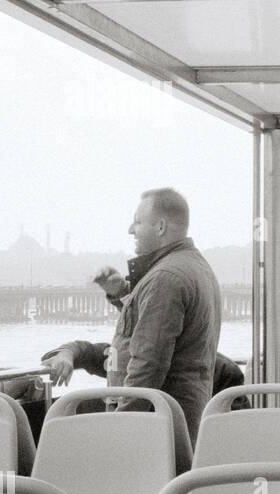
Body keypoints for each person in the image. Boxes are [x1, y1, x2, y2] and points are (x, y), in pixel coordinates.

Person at [90, 188, 222, 442]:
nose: (131, 229)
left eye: (138, 222)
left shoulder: (165, 278)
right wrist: (122, 294)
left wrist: (122, 427)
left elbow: (148, 364)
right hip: (183, 419)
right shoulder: (194, 266)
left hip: (156, 429)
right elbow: (160, 325)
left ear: (160, 227)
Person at [41, 340, 247, 410]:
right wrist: (67, 353)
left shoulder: (223, 372)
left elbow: (234, 440)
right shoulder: (135, 357)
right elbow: (91, 352)